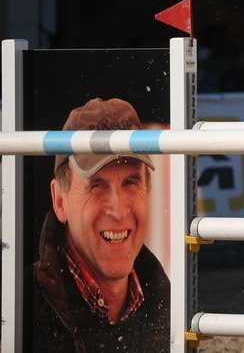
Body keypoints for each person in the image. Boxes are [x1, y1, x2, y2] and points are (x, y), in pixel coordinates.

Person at [31, 98, 170, 351]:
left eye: (131, 183)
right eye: (97, 186)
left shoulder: (175, 309)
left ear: (148, 190)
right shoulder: (15, 308)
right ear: (59, 201)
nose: (118, 211)